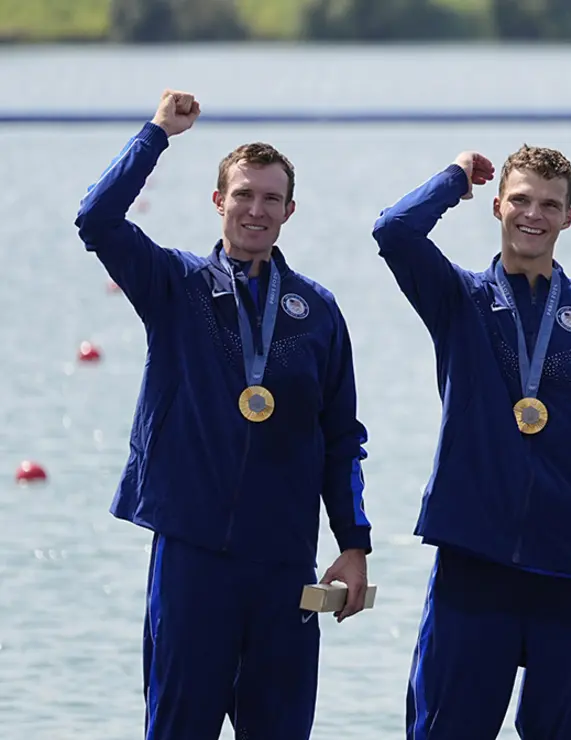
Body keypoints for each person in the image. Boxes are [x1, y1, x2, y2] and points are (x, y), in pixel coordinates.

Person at [73, 89, 373, 739]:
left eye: (271, 198)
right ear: (218, 202)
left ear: (290, 210)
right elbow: (96, 219)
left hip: (283, 564)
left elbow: (341, 439)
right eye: (243, 194)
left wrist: (354, 545)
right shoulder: (175, 287)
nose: (256, 210)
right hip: (193, 560)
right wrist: (156, 134)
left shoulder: (317, 313)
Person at [371, 144, 571, 740]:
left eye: (550, 205)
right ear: (498, 205)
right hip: (474, 564)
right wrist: (454, 179)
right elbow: (394, 232)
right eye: (522, 200)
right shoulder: (459, 300)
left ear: (568, 218)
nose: (534, 215)